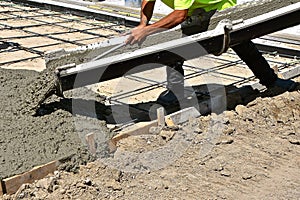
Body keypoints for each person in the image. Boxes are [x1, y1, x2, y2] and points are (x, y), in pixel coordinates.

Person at [125, 0, 297, 105]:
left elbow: (179, 15)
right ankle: (176, 92)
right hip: (196, 8)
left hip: (218, 6)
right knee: (176, 48)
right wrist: (143, 24)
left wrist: (146, 32)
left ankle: (271, 81)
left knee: (240, 42)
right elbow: (148, 1)